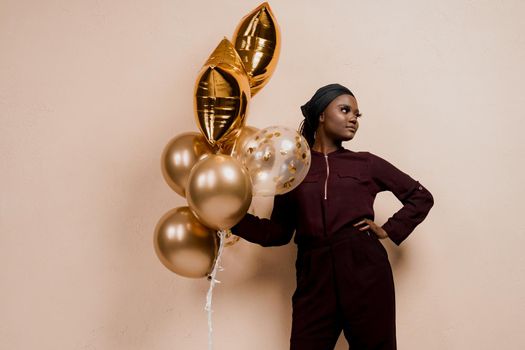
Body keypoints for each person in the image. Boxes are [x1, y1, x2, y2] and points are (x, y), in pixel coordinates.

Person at [230, 83, 434, 350]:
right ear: (322, 115)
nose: (353, 119)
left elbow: (420, 196)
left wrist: (389, 229)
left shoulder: (366, 163)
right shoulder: (294, 169)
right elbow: (278, 233)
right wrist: (231, 219)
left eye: (357, 115)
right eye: (345, 110)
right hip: (313, 273)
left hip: (364, 267)